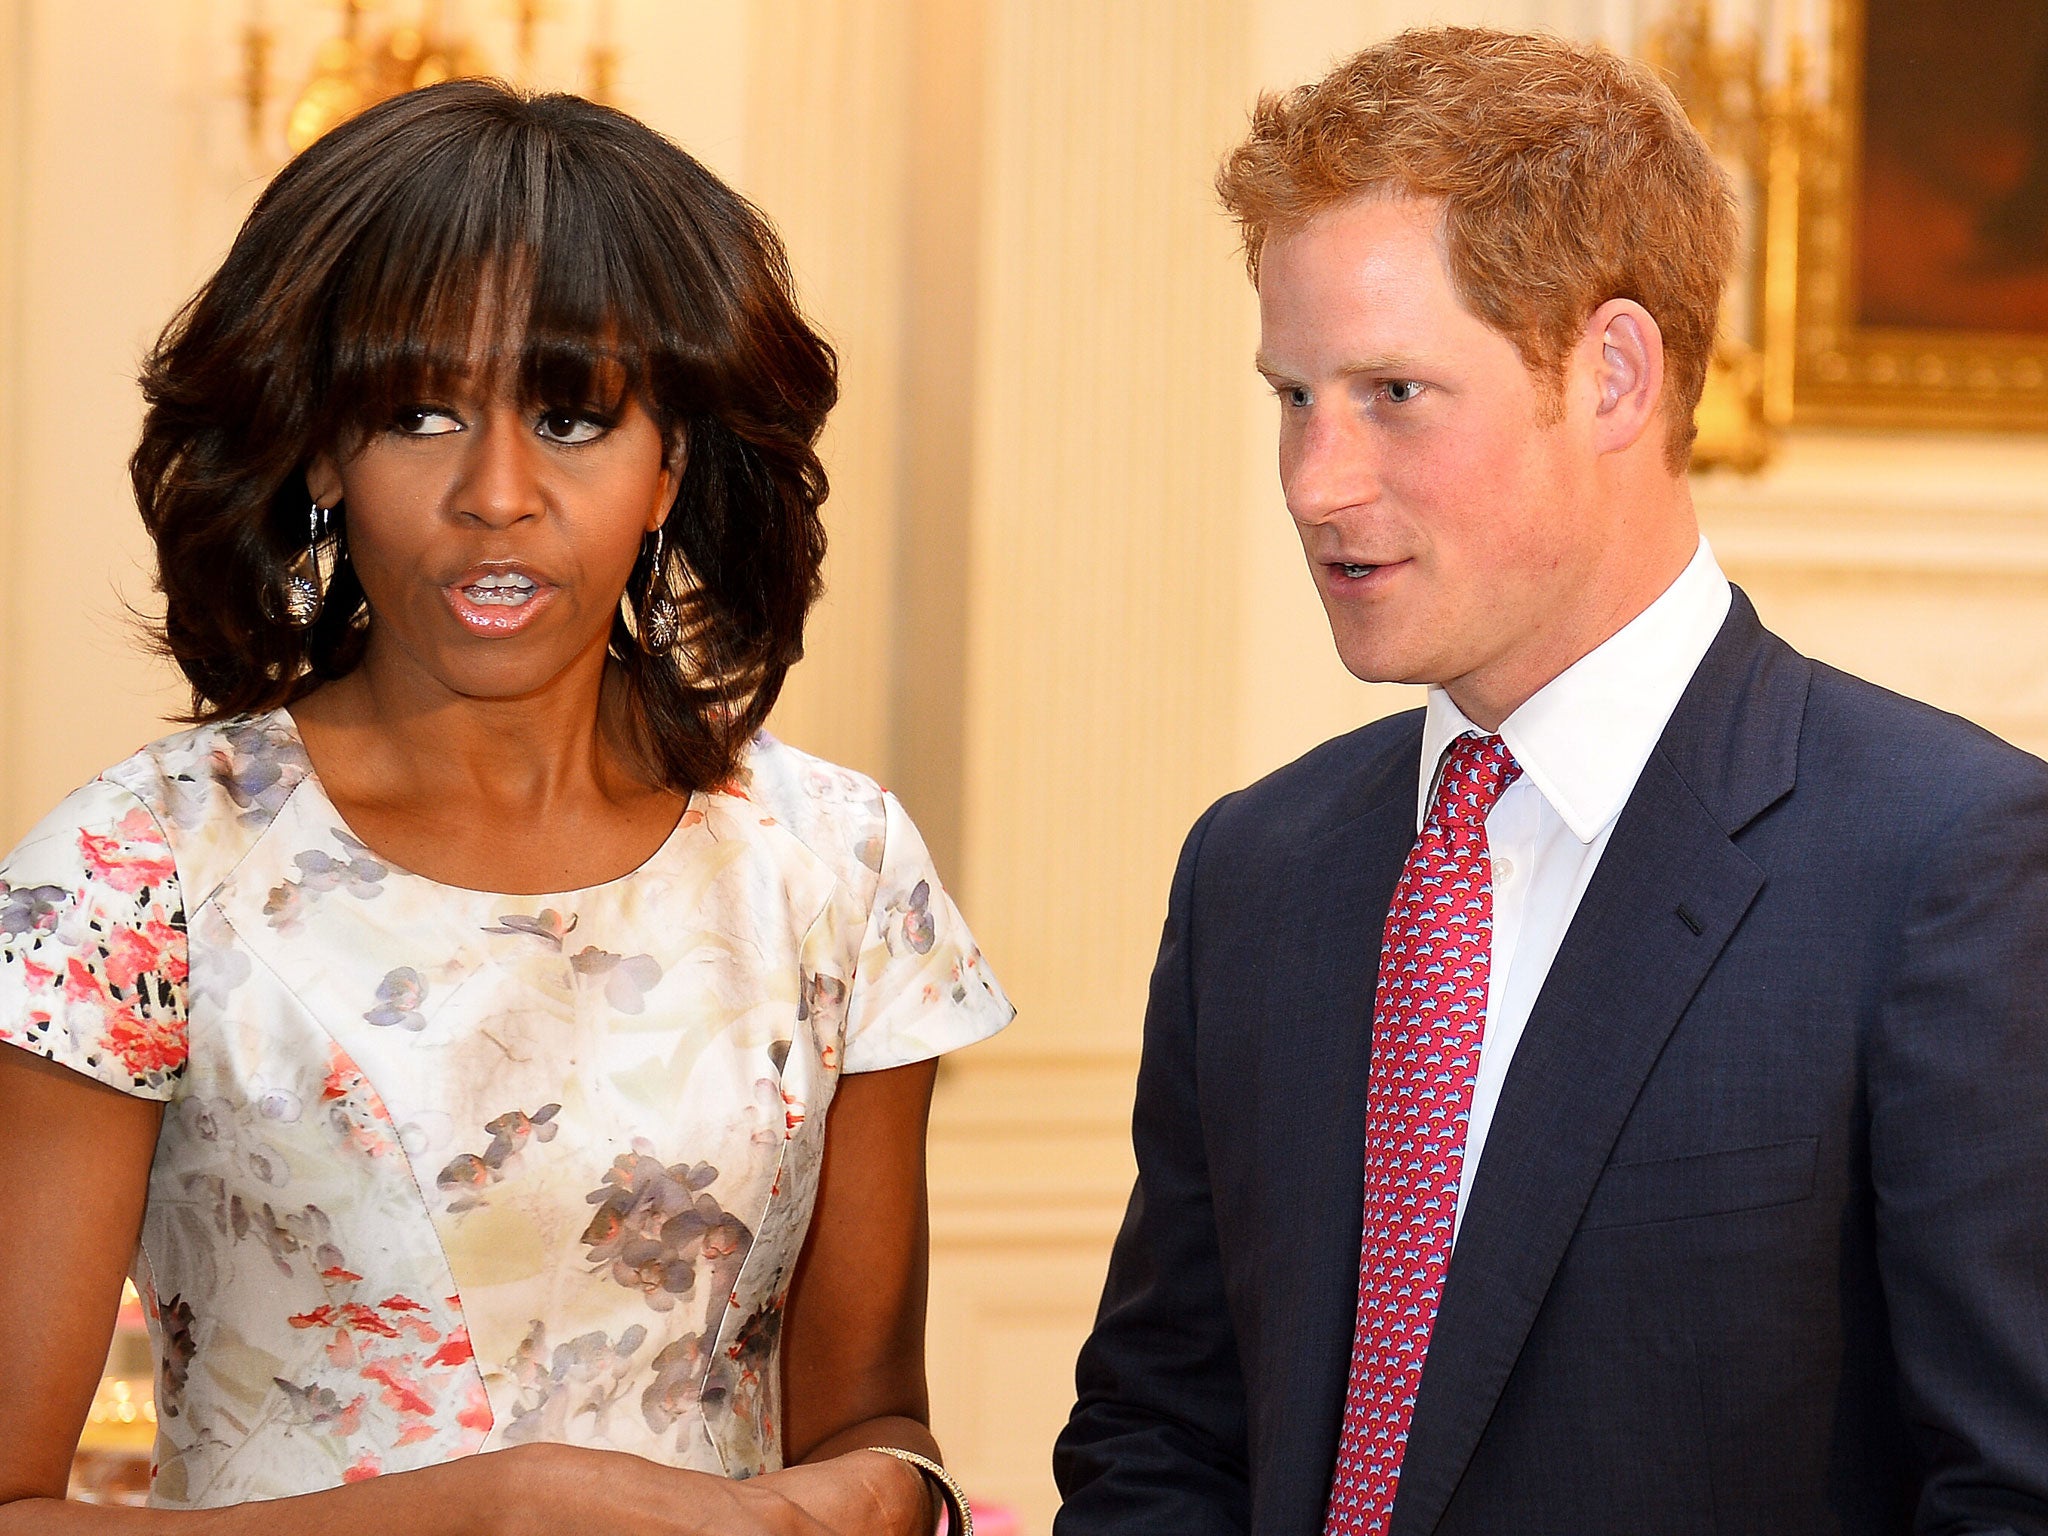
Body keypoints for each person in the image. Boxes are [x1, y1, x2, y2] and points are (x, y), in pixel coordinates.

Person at [1054, 27, 2048, 1536]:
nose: (1315, 482)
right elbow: (1161, 1435)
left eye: (1392, 391)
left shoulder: (1949, 865)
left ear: (1615, 376)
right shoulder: (1256, 867)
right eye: (1293, 397)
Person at [0, 80, 1009, 1534]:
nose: (497, 492)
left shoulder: (838, 870)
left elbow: (877, 1433)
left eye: (572, 416)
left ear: (670, 466)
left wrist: (815, 1512)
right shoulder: (129, 874)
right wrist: (497, 1507)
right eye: (418, 414)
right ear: (324, 458)